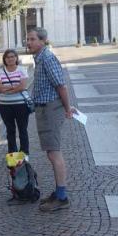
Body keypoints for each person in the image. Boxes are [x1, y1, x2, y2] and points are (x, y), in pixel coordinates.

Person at [26, 28, 78, 212]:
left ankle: (62, 197)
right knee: (51, 152)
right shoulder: (40, 58)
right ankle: (58, 192)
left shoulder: (47, 58)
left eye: (32, 39)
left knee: (54, 153)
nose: (29, 42)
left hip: (50, 109)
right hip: (44, 109)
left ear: (43, 40)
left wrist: (67, 109)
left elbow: (61, 86)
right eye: (28, 39)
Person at [0, 49, 30, 154]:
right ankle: (12, 153)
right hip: (4, 105)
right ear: (4, 59)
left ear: (16, 58)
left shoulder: (22, 70)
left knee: (22, 130)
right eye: (7, 57)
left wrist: (7, 89)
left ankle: (24, 153)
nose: (10, 59)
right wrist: (14, 87)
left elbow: (23, 86)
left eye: (12, 56)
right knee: (10, 130)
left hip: (21, 105)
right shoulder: (0, 71)